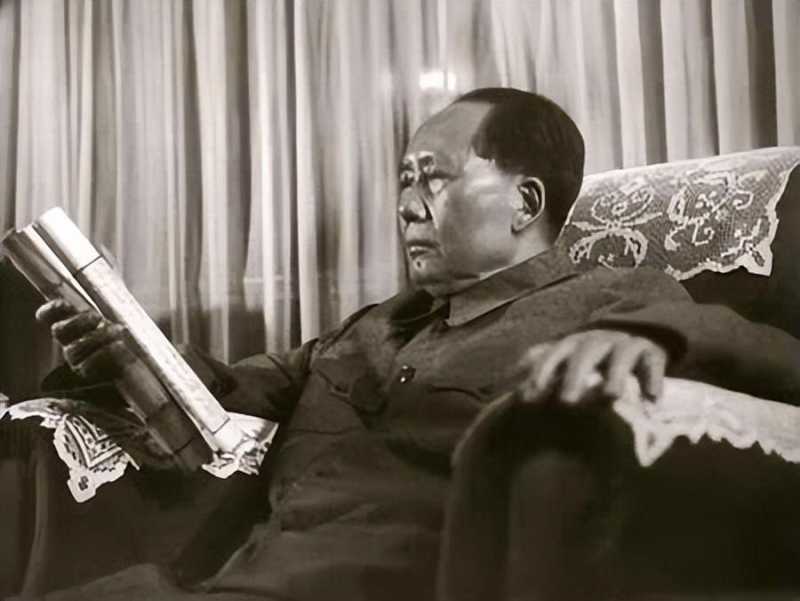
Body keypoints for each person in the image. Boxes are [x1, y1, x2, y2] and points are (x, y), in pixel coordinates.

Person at [10, 88, 800, 601]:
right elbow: (227, 392)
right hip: (219, 574)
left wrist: (645, 337)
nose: (407, 204)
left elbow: (762, 349)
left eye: (434, 177)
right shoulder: (372, 326)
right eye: (403, 180)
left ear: (526, 201)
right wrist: (123, 358)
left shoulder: (604, 298)